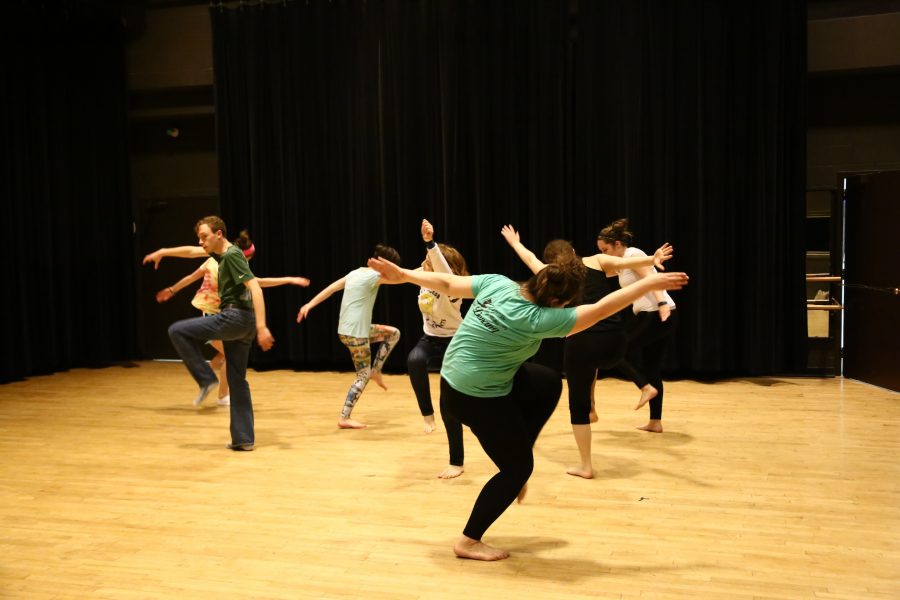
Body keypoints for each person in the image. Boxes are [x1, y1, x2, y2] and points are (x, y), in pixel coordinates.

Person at [367, 247, 688, 561]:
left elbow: (449, 284)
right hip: (473, 397)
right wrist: (648, 284)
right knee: (518, 470)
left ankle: (517, 451)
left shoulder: (497, 282)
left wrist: (404, 275)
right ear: (559, 302)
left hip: (453, 384)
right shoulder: (541, 319)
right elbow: (602, 310)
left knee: (547, 382)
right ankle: (469, 539)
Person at [501, 225, 672, 479]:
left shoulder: (550, 273)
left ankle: (586, 464)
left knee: (576, 404)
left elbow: (529, 258)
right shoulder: (596, 260)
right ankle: (620, 395)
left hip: (581, 344)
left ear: (551, 260)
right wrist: (653, 258)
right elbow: (624, 261)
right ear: (572, 250)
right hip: (614, 344)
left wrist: (515, 243)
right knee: (598, 365)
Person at [143, 216, 274, 451]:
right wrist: (163, 251)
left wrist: (263, 327)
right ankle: (243, 438)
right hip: (243, 324)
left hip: (235, 318)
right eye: (200, 238)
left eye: (204, 237)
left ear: (219, 234)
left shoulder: (232, 255)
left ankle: (206, 378)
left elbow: (255, 287)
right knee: (237, 380)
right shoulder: (221, 255)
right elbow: (192, 252)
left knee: (177, 330)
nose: (201, 242)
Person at [147, 231, 310, 406]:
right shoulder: (228, 262)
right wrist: (289, 280)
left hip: (221, 314)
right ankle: (214, 387)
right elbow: (259, 283)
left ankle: (213, 385)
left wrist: (171, 285)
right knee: (225, 355)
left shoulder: (216, 257)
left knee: (223, 356)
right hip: (214, 314)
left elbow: (192, 269)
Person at [297, 244, 402, 429]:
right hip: (357, 335)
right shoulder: (375, 276)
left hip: (347, 331)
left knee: (393, 333)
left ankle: (376, 370)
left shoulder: (355, 273)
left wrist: (308, 305)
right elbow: (402, 277)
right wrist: (425, 269)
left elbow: (330, 289)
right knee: (362, 375)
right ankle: (344, 417)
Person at [598, 218, 679, 434]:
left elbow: (653, 279)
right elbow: (601, 270)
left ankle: (645, 387)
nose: (604, 254)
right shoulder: (622, 262)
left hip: (656, 313)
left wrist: (662, 303)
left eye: (606, 249)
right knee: (652, 366)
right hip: (658, 314)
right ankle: (655, 421)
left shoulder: (633, 254)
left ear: (617, 244)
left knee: (614, 350)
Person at [407, 219, 469, 479]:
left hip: (455, 342)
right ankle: (426, 415)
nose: (425, 260)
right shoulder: (424, 275)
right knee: (414, 360)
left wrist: (431, 243)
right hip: (430, 339)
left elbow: (443, 269)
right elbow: (401, 275)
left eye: (429, 258)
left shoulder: (452, 285)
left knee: (448, 404)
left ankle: (457, 461)